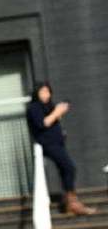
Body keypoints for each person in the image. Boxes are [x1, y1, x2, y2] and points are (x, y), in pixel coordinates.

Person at [26, 82, 96, 216]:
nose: (46, 95)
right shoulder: (34, 107)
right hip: (48, 144)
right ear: (37, 93)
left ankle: (68, 201)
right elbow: (43, 123)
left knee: (65, 170)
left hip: (57, 143)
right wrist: (57, 112)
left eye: (48, 92)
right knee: (69, 167)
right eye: (43, 92)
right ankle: (72, 202)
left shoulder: (48, 106)